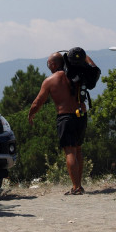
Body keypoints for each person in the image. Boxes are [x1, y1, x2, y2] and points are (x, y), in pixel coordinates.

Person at [28, 51, 97, 195]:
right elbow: (93, 68)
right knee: (78, 149)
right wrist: (84, 55)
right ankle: (79, 185)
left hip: (65, 117)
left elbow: (37, 102)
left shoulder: (50, 80)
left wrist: (31, 114)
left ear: (53, 64)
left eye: (48, 63)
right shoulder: (77, 76)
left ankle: (76, 187)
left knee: (70, 151)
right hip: (81, 115)